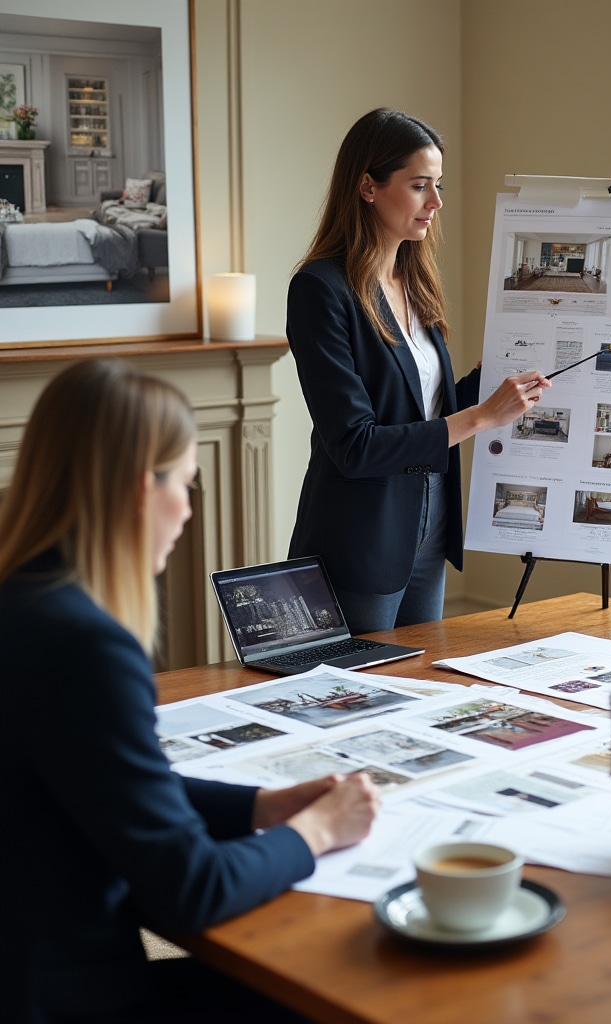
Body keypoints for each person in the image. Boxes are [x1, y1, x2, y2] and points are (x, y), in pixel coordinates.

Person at [0, 359, 380, 1023]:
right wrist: (318, 831)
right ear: (138, 491)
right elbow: (191, 889)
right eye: (185, 481)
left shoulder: (23, 603)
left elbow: (99, 779)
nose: (188, 508)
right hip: (65, 999)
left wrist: (261, 806)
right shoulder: (87, 647)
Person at [287, 107, 549, 634]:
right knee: (363, 696)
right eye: (420, 185)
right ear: (367, 186)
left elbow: (417, 405)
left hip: (430, 524)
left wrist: (487, 386)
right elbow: (355, 445)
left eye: (439, 185)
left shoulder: (414, 279)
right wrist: (480, 416)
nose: (437, 203)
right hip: (363, 535)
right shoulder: (320, 290)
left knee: (421, 687)